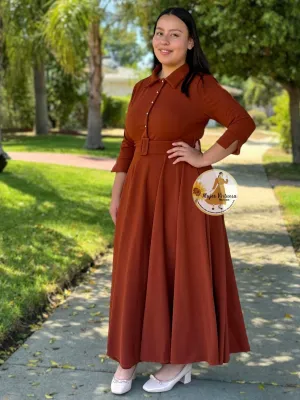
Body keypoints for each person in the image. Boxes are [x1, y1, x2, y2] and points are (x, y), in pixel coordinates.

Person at [107, 6, 256, 395]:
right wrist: (117, 193)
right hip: (140, 189)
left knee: (180, 271)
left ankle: (178, 359)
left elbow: (242, 122)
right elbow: (128, 143)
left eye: (175, 34)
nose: (165, 40)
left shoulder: (200, 84)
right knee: (134, 269)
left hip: (181, 191)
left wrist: (204, 158)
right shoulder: (141, 87)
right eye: (159, 32)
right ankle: (128, 356)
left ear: (190, 42)